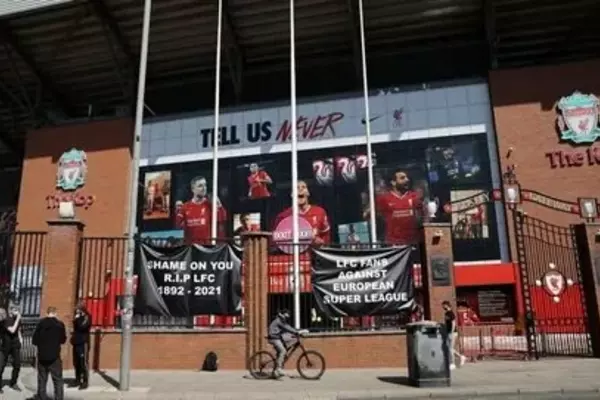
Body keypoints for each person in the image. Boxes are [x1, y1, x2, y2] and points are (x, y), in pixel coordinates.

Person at [363, 169, 424, 245]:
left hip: (412, 242)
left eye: (407, 177)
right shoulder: (384, 198)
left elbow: (423, 216)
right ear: (393, 182)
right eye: (402, 178)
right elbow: (366, 214)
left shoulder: (414, 196)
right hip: (393, 243)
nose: (407, 180)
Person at [272, 180, 331, 245]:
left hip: (314, 250)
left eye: (303, 187)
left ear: (308, 193)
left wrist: (321, 242)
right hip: (293, 251)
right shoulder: (283, 216)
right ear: (292, 194)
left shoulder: (320, 212)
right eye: (297, 187)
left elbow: (326, 235)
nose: (300, 189)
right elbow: (275, 241)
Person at [175, 176, 227, 244]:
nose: (204, 188)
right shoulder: (185, 207)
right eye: (200, 186)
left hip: (207, 247)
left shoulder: (210, 205)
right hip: (190, 247)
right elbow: (177, 226)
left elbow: (222, 220)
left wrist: (219, 205)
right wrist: (177, 213)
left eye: (205, 185)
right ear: (193, 189)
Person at [32, 306, 67, 400]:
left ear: (47, 313)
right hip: (54, 356)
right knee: (58, 380)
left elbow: (34, 341)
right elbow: (63, 340)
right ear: (55, 313)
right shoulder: (60, 325)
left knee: (42, 379)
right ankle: (58, 398)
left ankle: (41, 396)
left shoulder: (40, 324)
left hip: (42, 356)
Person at [267, 309, 306, 378]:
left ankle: (275, 372)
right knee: (283, 351)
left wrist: (298, 331)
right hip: (274, 338)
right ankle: (279, 369)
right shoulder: (279, 320)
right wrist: (297, 332)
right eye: (286, 314)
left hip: (278, 337)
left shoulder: (282, 320)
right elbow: (287, 327)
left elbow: (288, 327)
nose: (288, 316)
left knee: (286, 346)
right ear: (283, 314)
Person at [0, 304, 22, 391]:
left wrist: (20, 338)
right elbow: (12, 330)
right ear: (10, 310)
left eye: (18, 310)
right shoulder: (6, 320)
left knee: (17, 365)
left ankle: (13, 382)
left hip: (15, 345)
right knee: (1, 366)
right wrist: (18, 319)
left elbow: (18, 329)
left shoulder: (17, 319)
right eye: (15, 310)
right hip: (5, 345)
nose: (17, 312)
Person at [71, 301, 91, 389]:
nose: (76, 310)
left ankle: (85, 381)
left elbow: (82, 327)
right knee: (76, 362)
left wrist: (77, 319)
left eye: (77, 309)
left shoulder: (87, 316)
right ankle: (77, 379)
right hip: (76, 342)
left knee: (83, 362)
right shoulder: (77, 317)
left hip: (83, 342)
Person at [442, 300, 466, 370]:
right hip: (448, 332)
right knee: (449, 348)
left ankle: (452, 363)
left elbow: (453, 323)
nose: (443, 307)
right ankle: (461, 357)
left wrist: (451, 332)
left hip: (452, 333)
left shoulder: (451, 313)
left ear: (447, 305)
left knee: (450, 348)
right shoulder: (446, 313)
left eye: (443, 305)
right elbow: (446, 323)